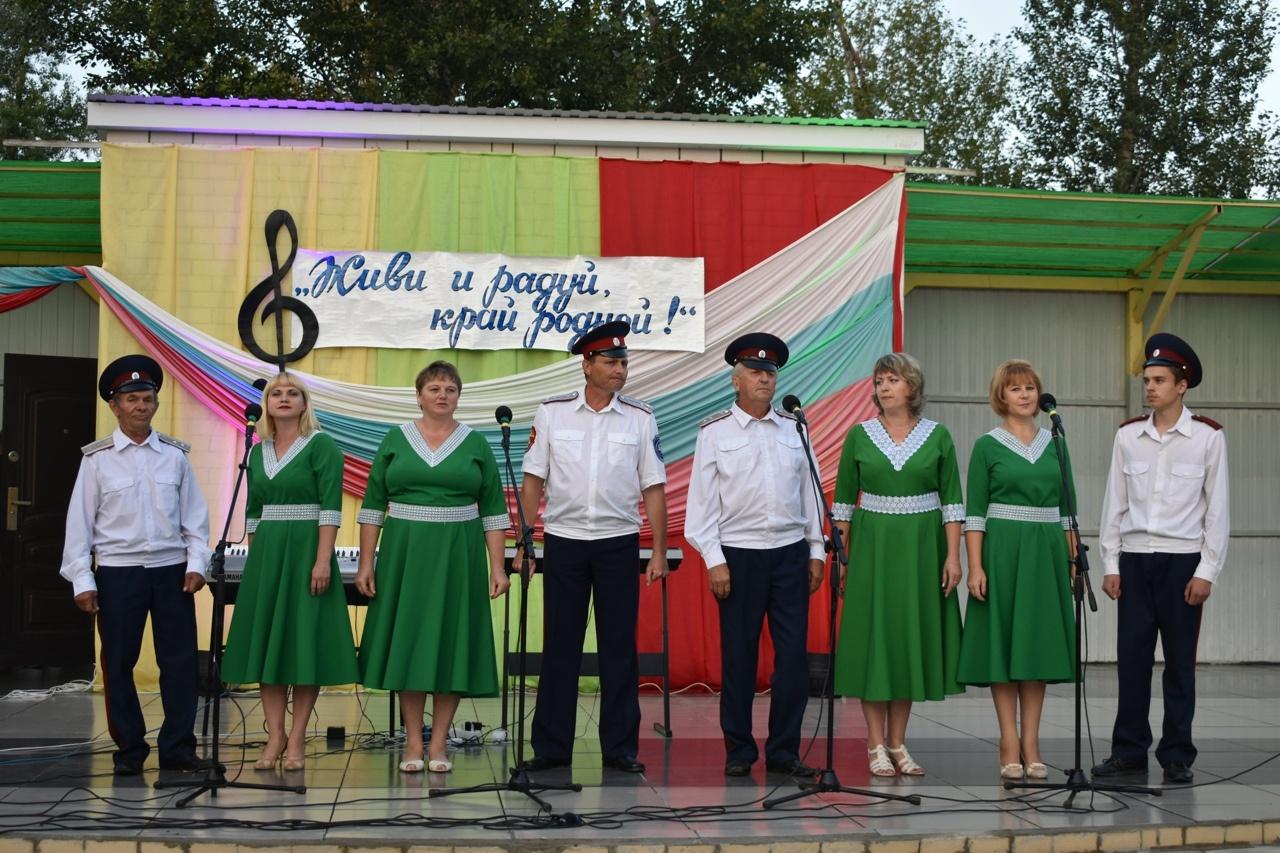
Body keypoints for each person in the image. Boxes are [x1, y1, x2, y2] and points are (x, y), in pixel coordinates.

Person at [518, 320, 668, 774]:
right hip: (563, 541)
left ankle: (620, 748)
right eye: (610, 362)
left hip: (617, 543)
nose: (620, 370)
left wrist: (659, 548)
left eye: (623, 362)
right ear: (586, 365)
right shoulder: (553, 413)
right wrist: (526, 540)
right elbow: (533, 480)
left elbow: (654, 485)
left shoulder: (641, 417)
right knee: (560, 646)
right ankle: (552, 747)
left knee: (618, 648)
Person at [354, 361, 510, 774]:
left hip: (458, 554)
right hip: (405, 553)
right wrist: (367, 562)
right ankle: (412, 741)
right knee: (410, 642)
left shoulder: (476, 443)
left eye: (451, 389)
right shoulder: (395, 439)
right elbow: (372, 506)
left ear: (459, 397)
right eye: (434, 388)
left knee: (451, 642)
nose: (442, 395)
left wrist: (498, 567)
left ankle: (438, 742)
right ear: (419, 395)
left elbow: (493, 510)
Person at [60, 354, 212, 776]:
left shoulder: (175, 456)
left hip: (171, 572)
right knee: (119, 664)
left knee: (180, 663)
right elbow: (79, 525)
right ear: (115, 406)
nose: (141, 405)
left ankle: (179, 748)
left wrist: (196, 563)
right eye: (132, 399)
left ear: (156, 404)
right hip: (117, 573)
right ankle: (129, 750)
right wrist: (82, 580)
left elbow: (195, 519)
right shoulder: (97, 460)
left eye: (148, 398)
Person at [684, 332, 826, 778]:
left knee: (792, 661)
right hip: (738, 557)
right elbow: (701, 505)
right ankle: (739, 751)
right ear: (736, 380)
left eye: (770, 372)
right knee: (740, 659)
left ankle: (784, 750)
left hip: (789, 556)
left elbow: (811, 495)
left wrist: (817, 550)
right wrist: (713, 559)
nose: (765, 379)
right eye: (755, 372)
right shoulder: (714, 432)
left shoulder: (795, 429)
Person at [1091, 333, 1229, 786]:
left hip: (1182, 563)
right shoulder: (1129, 435)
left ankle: (1176, 754)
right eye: (1147, 380)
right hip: (1134, 560)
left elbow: (1218, 510)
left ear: (1181, 385)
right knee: (1131, 662)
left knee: (1179, 666)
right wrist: (1110, 563)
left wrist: (1206, 570)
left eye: (1158, 380)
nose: (1149, 388)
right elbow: (1115, 502)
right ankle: (1128, 752)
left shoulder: (1207, 438)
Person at [831, 352, 964, 778]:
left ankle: (897, 742)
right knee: (877, 643)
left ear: (912, 386)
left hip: (923, 549)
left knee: (908, 641)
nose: (883, 387)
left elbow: (953, 503)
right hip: (872, 549)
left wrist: (955, 558)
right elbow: (844, 505)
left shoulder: (938, 436)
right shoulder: (859, 435)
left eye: (892, 380)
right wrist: (842, 560)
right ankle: (874, 744)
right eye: (879, 381)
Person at [221, 373, 359, 772]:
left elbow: (330, 505)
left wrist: (322, 559)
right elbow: (253, 508)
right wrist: (252, 550)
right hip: (268, 552)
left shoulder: (322, 446)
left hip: (306, 551)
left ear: (304, 402)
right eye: (275, 394)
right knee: (270, 645)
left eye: (292, 393)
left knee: (302, 643)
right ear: (266, 403)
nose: (283, 399)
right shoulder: (258, 450)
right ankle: (275, 734)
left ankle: (297, 737)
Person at [956, 359, 1076, 781]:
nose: (1024, 395)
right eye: (1015, 389)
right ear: (1000, 397)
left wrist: (1073, 561)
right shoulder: (987, 445)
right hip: (1003, 551)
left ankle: (1032, 742)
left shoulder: (1056, 442)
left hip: (1045, 555)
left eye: (1030, 388)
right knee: (1004, 648)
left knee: (1035, 647)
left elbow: (1067, 511)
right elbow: (975, 513)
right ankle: (1008, 740)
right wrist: (975, 566)